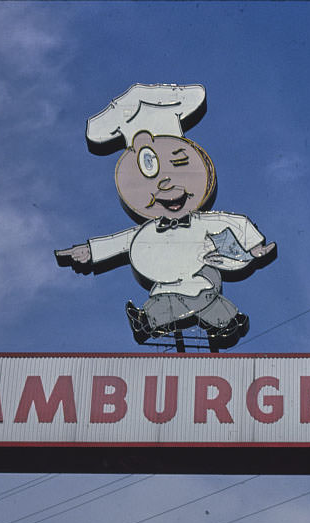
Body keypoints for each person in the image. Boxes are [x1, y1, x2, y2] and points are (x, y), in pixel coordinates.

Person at [55, 84, 275, 347]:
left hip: (200, 275)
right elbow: (121, 242)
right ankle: (226, 322)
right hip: (168, 284)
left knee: (188, 299)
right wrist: (89, 251)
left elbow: (235, 223)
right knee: (190, 303)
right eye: (149, 173)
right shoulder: (147, 232)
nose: (165, 184)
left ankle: (155, 320)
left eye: (179, 163)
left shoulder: (206, 222)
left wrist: (255, 246)